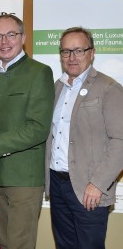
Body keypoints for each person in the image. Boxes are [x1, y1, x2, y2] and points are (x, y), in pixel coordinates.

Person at [0, 14, 54, 249]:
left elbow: (38, 128)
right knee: (6, 244)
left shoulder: (39, 72)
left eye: (11, 35)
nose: (4, 42)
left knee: (19, 245)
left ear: (23, 38)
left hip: (24, 177)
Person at [45, 27, 123, 249]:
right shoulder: (57, 88)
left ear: (92, 53)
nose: (72, 57)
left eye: (79, 50)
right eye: (66, 51)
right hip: (58, 185)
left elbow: (121, 141)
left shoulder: (109, 88)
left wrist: (98, 184)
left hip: (89, 188)